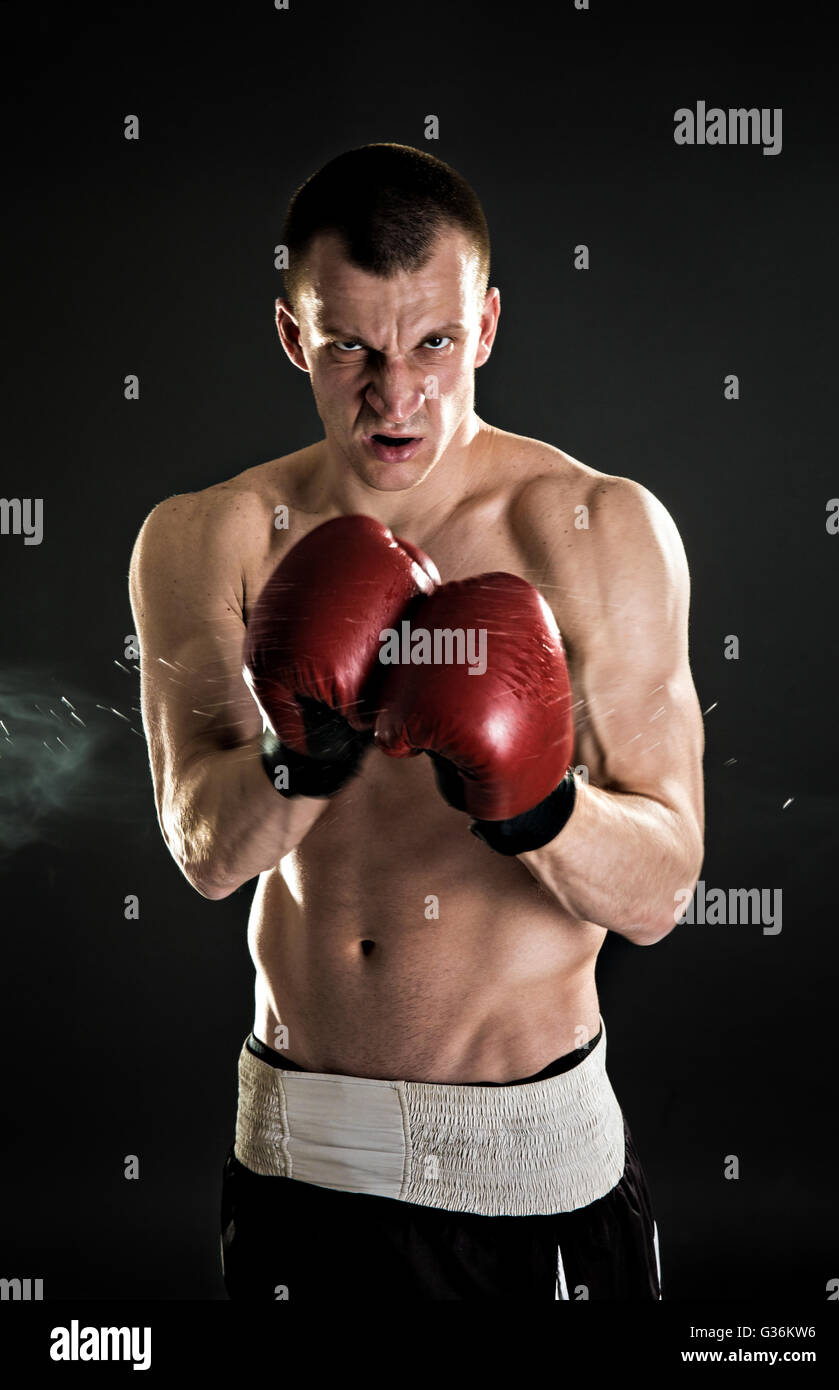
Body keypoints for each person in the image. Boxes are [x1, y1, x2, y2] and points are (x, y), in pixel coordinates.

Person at [128, 142, 704, 1301]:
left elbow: (662, 889)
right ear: (294, 336)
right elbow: (199, 850)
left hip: (530, 1169)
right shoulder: (210, 535)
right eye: (352, 347)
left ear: (485, 326)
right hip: (299, 1156)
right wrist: (302, 761)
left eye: (432, 342)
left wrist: (538, 803)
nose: (396, 395)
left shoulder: (599, 530)